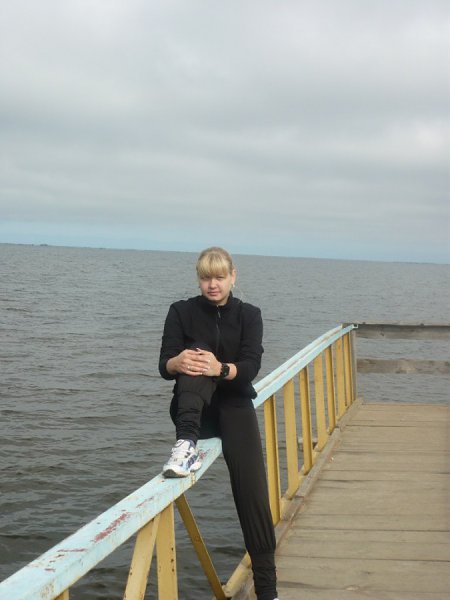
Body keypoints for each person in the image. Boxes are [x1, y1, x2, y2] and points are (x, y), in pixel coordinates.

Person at [159, 247, 279, 600]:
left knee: (253, 495)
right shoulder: (180, 311)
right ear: (199, 279)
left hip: (235, 406)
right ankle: (185, 447)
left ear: (232, 277)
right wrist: (179, 362)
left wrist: (220, 368)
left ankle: (268, 592)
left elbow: (251, 366)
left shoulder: (249, 315)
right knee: (195, 356)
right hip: (193, 410)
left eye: (219, 277)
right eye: (205, 278)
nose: (212, 284)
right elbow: (164, 366)